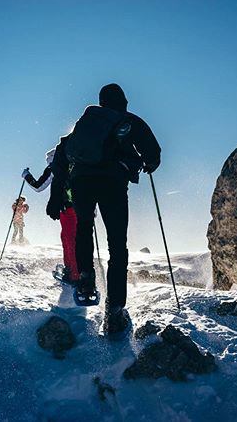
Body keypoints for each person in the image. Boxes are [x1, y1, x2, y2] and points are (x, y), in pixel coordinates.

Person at [47, 83, 161, 336]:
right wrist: (149, 163)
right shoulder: (128, 120)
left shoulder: (86, 122)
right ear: (121, 101)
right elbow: (153, 152)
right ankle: (114, 309)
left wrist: (56, 197)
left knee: (84, 228)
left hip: (82, 182)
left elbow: (63, 154)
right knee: (117, 244)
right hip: (113, 183)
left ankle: (85, 279)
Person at [22, 148, 79, 283]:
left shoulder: (54, 167)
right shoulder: (75, 165)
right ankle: (79, 271)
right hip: (80, 208)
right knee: (75, 238)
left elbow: (38, 186)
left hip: (67, 209)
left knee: (69, 239)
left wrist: (26, 176)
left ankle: (74, 273)